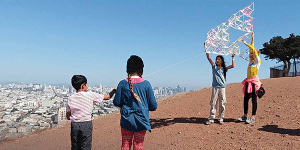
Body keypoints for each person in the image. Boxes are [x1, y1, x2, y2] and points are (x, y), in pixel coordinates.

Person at [113, 55, 157, 150]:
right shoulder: (146, 84)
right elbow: (153, 106)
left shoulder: (122, 83)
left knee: (125, 145)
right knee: (138, 146)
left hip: (126, 120)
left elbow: (116, 102)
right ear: (141, 69)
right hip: (141, 122)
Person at [66, 75, 117, 150]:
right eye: (86, 84)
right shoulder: (90, 95)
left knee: (75, 146)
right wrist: (114, 90)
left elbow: (68, 115)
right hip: (86, 124)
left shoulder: (70, 98)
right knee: (86, 146)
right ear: (83, 86)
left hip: (74, 125)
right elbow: (107, 97)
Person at [205, 44, 235, 125]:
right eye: (216, 59)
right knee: (213, 103)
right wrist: (206, 49)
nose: (216, 60)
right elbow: (208, 58)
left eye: (218, 59)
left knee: (222, 103)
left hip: (222, 88)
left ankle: (221, 118)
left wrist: (233, 57)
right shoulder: (214, 66)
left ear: (221, 61)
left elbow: (233, 66)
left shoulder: (224, 68)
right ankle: (211, 118)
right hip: (215, 87)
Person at [238, 32, 262, 124]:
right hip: (248, 81)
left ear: (256, 54)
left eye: (252, 53)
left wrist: (245, 43)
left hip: (254, 82)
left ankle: (253, 117)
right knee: (246, 99)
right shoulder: (251, 61)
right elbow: (252, 47)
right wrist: (252, 37)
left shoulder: (257, 61)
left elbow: (252, 48)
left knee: (254, 99)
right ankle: (245, 116)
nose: (250, 54)